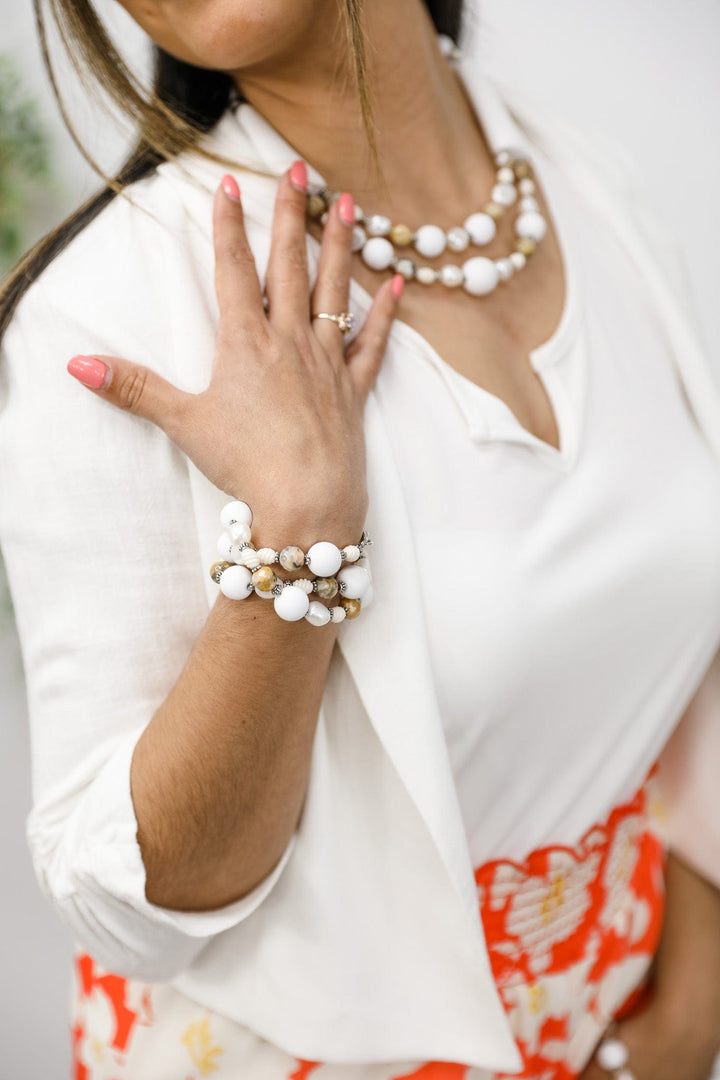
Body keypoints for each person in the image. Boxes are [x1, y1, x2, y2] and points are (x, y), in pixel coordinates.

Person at [1, 1, 720, 1077]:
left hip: (611, 1011)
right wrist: (296, 532)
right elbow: (131, 911)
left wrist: (700, 937)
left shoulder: (584, 184)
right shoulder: (109, 313)